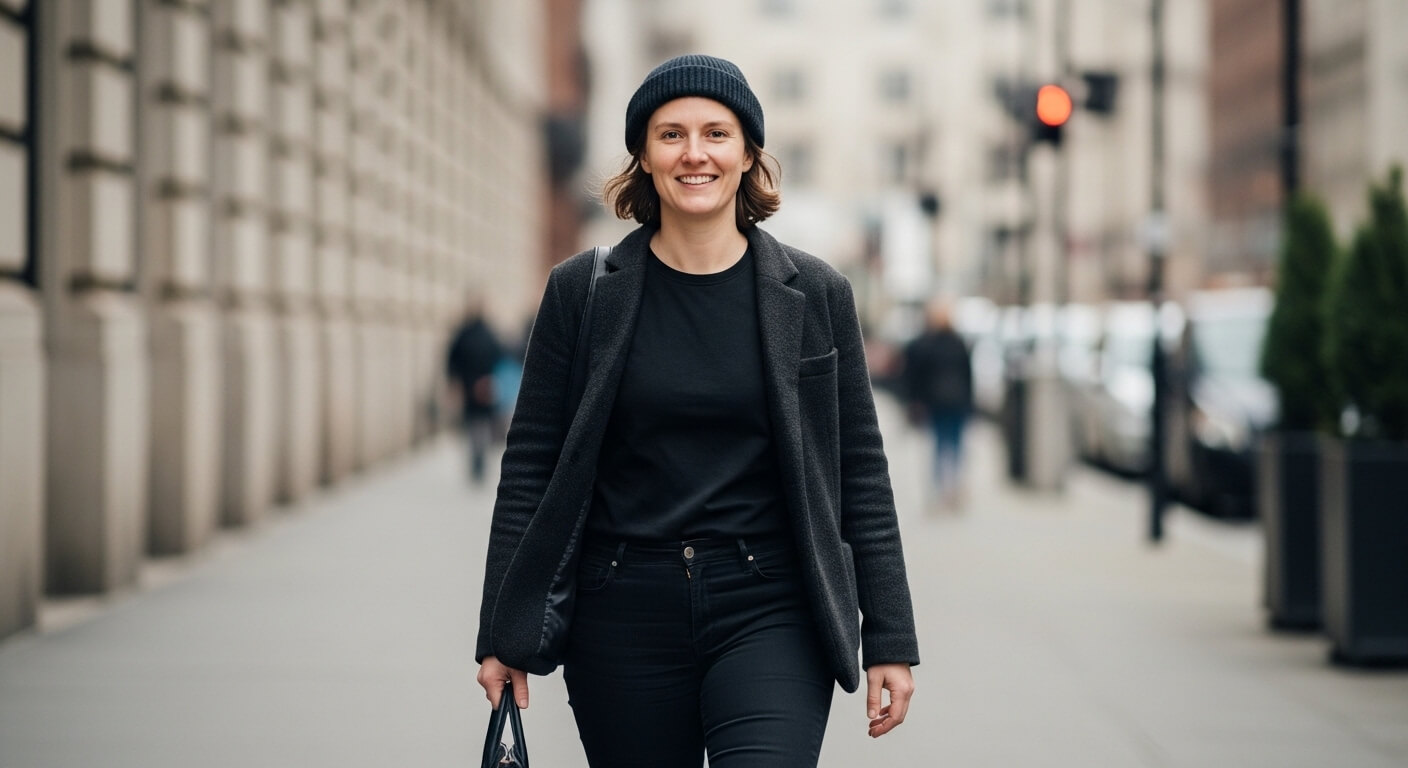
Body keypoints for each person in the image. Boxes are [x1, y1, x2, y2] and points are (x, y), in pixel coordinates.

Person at [475, 54, 919, 766]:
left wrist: (890, 637)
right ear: (644, 158)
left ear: (748, 154)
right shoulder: (583, 292)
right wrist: (502, 631)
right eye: (670, 134)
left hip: (771, 604)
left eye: (716, 133)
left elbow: (859, 471)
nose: (694, 153)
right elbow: (529, 467)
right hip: (622, 611)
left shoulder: (815, 294)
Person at [903, 299, 974, 510]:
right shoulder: (959, 342)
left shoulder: (926, 344)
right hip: (958, 401)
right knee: (956, 445)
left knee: (939, 445)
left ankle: (939, 490)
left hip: (936, 402)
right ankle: (953, 489)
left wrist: (915, 402)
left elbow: (916, 377)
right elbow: (968, 375)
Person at [445, 298, 505, 484]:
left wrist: (454, 383)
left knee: (473, 426)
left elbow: (451, 360)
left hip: (469, 387)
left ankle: (476, 462)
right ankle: (479, 462)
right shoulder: (489, 333)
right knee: (483, 426)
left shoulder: (463, 333)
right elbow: (500, 356)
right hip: (485, 386)